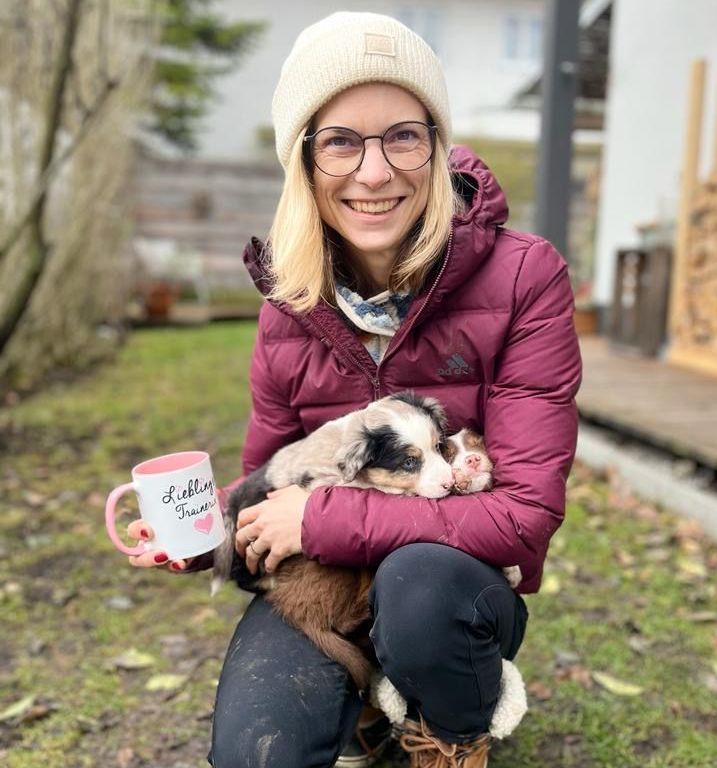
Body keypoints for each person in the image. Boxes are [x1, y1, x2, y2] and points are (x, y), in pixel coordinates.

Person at [126, 11, 582, 768]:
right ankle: (365, 703)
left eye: (403, 135)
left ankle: (452, 730)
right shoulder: (289, 302)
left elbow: (524, 516)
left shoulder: (524, 277)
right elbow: (275, 479)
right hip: (329, 586)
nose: (374, 173)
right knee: (256, 754)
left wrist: (321, 518)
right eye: (340, 141)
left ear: (436, 145)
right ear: (304, 162)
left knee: (420, 591)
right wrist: (204, 534)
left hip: (448, 585)